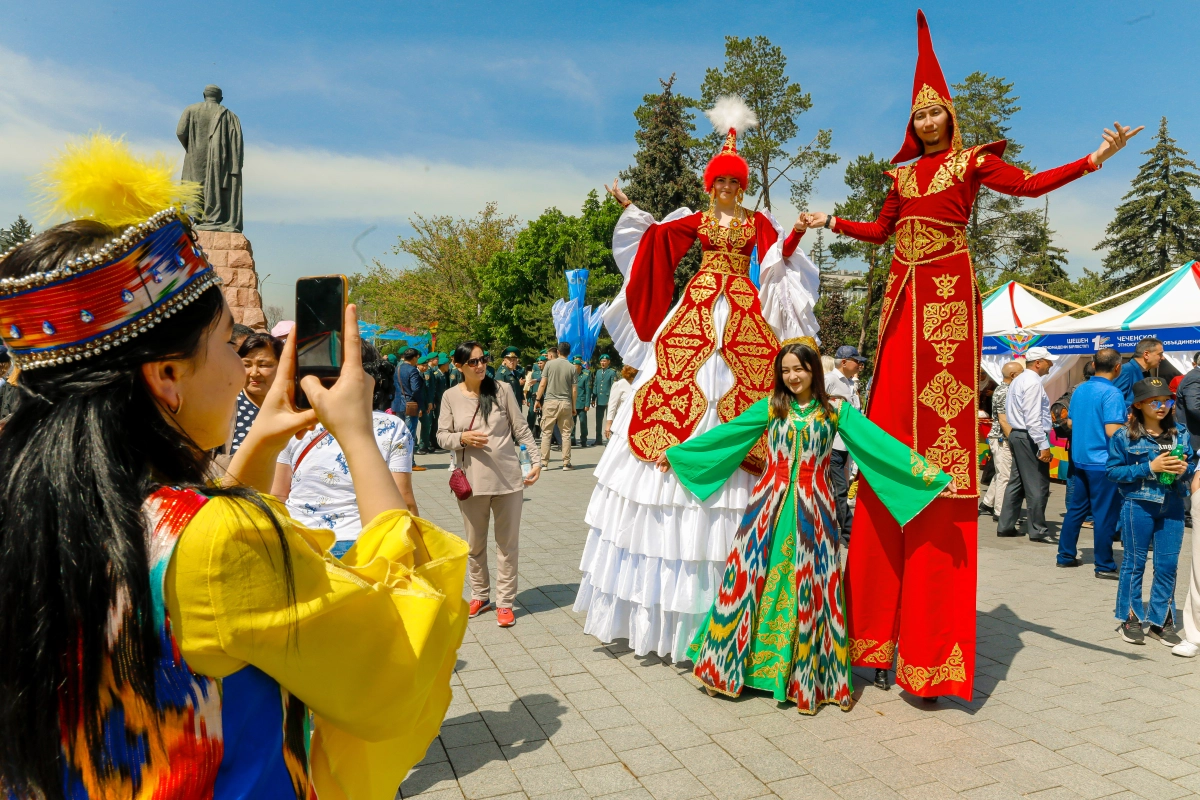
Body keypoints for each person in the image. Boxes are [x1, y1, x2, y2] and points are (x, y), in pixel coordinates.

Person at [0, 135, 466, 799]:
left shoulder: (31, 507)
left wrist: (260, 446)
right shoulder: (219, 542)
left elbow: (172, 553)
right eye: (227, 341)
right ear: (167, 377)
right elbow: (397, 656)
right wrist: (359, 438)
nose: (245, 365)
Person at [798, 10, 1139, 700]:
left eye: (934, 112)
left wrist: (1094, 159)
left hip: (949, 302)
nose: (925, 122)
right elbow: (878, 232)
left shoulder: (972, 162)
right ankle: (874, 638)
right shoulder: (900, 178)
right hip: (902, 303)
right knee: (889, 437)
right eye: (917, 114)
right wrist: (828, 220)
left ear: (950, 116)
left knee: (944, 445)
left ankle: (928, 645)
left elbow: (1032, 184)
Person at [578, 95, 819, 661]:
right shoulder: (699, 219)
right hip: (697, 310)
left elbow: (777, 251)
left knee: (745, 394)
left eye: (736, 183)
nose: (729, 189)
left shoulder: (757, 222)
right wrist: (632, 205)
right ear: (712, 185)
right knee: (678, 385)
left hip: (743, 313)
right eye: (722, 183)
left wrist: (801, 235)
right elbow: (661, 239)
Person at [657, 341, 949, 713]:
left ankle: (804, 679)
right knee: (749, 580)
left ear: (814, 371)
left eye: (799, 369)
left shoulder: (836, 412)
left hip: (817, 510)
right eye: (785, 371)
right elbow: (727, 436)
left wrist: (931, 476)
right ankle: (728, 669)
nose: (792, 377)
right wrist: (677, 453)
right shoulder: (770, 407)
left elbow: (880, 447)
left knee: (809, 586)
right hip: (767, 508)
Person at [273, 341, 419, 557]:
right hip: (363, 541)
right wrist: (417, 547)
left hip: (300, 539)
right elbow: (403, 498)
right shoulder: (391, 426)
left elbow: (278, 494)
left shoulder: (298, 422)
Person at [438, 342, 542, 628]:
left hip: (508, 480)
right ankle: (481, 595)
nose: (480, 365)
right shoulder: (450, 397)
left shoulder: (502, 390)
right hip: (471, 483)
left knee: (507, 545)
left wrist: (536, 461)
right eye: (472, 362)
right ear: (458, 366)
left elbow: (520, 427)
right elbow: (441, 436)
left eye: (482, 359)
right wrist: (462, 438)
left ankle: (506, 602)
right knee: (474, 546)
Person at [1108, 378, 1197, 647]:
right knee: (1135, 564)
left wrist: (1186, 470)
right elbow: (1113, 472)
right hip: (1138, 504)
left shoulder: (1180, 432)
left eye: (1167, 401)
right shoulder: (1124, 436)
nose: (1162, 406)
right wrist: (1150, 467)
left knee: (1168, 565)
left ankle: (1160, 622)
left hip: (1172, 505)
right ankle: (1130, 618)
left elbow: (1191, 465)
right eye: (1154, 401)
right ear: (1138, 404)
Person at [1056, 349, 1127, 576]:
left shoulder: (1080, 389)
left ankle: (1065, 555)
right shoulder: (1112, 393)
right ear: (1117, 367)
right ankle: (1104, 564)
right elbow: (1112, 430)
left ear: (1094, 365)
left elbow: (1071, 423)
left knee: (1076, 509)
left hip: (1080, 458)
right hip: (1102, 461)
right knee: (1104, 514)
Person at [997, 347, 1058, 543]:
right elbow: (1032, 418)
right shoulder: (1032, 382)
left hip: (1019, 434)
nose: (1051, 364)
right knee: (1037, 484)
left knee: (1017, 481)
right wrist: (1043, 443)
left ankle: (1006, 525)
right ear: (1038, 363)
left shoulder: (1019, 380)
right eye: (1048, 361)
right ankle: (1037, 529)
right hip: (1029, 435)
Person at [825, 345, 867, 544]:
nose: (860, 364)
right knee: (840, 489)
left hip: (846, 446)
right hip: (832, 445)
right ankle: (849, 533)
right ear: (843, 362)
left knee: (839, 488)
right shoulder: (829, 380)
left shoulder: (851, 383)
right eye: (856, 361)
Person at [980, 361, 1023, 520]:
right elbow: (1004, 420)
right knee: (1005, 475)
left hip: (999, 437)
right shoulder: (1006, 392)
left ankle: (987, 502)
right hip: (1002, 438)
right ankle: (1001, 512)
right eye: (1021, 372)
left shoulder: (1002, 389)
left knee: (1001, 473)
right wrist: (1013, 439)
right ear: (1013, 375)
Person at [228, 333, 282, 454]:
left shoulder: (296, 406)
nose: (254, 373)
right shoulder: (226, 408)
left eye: (264, 365)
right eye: (246, 365)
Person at [536, 341, 577, 470]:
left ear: (558, 352)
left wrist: (537, 399)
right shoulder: (572, 368)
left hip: (550, 402)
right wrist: (574, 407)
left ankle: (544, 463)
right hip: (566, 403)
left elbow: (542, 384)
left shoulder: (549, 365)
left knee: (546, 432)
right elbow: (574, 390)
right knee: (566, 433)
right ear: (569, 353)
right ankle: (566, 463)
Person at [393, 347, 427, 471]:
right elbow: (416, 388)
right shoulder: (413, 370)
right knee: (410, 434)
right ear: (414, 358)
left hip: (398, 404)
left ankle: (398, 461)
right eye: (417, 357)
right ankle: (410, 463)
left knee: (400, 434)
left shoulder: (398, 368)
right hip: (410, 405)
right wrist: (419, 403)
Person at [1113, 338, 1164, 407]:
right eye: (1160, 354)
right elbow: (1114, 401)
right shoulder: (1126, 370)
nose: (1163, 358)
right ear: (1146, 354)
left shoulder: (1147, 374)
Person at [604, 365, 638, 443]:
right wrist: (608, 424)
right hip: (623, 421)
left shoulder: (642, 383)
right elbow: (612, 406)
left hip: (637, 422)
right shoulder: (620, 384)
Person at [424, 352, 448, 454]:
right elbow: (432, 389)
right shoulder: (435, 373)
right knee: (435, 422)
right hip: (437, 401)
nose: (437, 360)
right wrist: (432, 401)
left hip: (440, 401)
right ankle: (432, 442)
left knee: (437, 422)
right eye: (436, 359)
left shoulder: (440, 374)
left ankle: (433, 442)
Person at [593, 354, 618, 445]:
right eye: (601, 361)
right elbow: (596, 385)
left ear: (608, 362)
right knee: (598, 420)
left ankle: (609, 439)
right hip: (599, 400)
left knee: (610, 419)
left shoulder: (612, 372)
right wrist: (593, 398)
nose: (603, 363)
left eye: (604, 361)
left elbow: (614, 387)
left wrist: (612, 399)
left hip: (608, 400)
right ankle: (598, 439)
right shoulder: (598, 372)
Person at [496, 346, 525, 411]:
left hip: (517, 404)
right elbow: (498, 392)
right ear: (505, 361)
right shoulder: (502, 373)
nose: (512, 362)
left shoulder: (516, 373)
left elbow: (518, 388)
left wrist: (522, 397)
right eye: (509, 359)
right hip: (507, 407)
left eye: (514, 359)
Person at [573, 355, 593, 448]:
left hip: (581, 403)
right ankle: (572, 439)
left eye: (575, 365)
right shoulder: (570, 375)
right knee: (571, 423)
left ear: (580, 366)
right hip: (572, 403)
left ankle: (583, 440)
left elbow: (588, 391)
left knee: (583, 422)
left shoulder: (585, 376)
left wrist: (587, 404)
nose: (573, 367)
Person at [525, 353, 545, 439]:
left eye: (541, 363)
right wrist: (529, 399)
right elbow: (531, 387)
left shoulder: (548, 372)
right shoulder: (534, 374)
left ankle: (549, 437)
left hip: (544, 398)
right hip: (534, 397)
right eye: (539, 363)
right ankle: (529, 435)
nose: (540, 364)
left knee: (545, 417)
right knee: (531, 416)